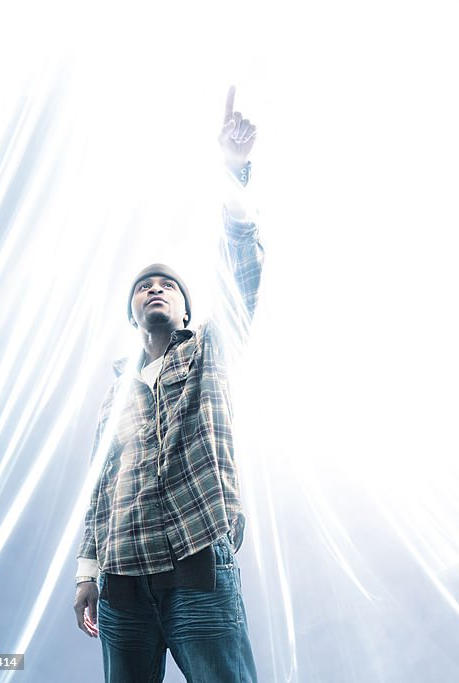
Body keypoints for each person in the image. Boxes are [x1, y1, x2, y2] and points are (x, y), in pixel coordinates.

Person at [73, 86, 262, 683]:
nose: (155, 288)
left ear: (184, 311)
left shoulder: (208, 349)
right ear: (133, 315)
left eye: (168, 285)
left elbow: (243, 274)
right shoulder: (115, 394)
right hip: (122, 580)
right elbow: (103, 484)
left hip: (196, 561)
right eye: (143, 286)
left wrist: (234, 175)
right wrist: (87, 570)